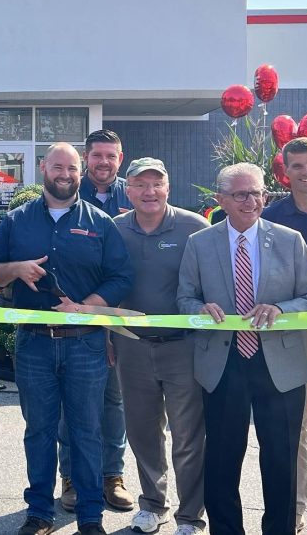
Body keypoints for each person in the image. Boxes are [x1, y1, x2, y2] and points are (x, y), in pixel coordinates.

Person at [0, 142, 134, 535]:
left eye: (71, 168)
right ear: (43, 168)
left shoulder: (101, 223)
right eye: (57, 167)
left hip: (86, 343)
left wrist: (86, 306)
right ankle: (39, 514)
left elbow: (121, 277)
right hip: (33, 344)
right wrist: (15, 269)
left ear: (80, 172)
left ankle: (90, 517)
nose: (65, 175)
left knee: (87, 431)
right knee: (39, 431)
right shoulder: (17, 220)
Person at [177, 162, 307, 535]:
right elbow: (184, 297)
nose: (251, 202)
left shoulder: (290, 240)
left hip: (280, 363)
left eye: (257, 193)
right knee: (222, 458)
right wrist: (199, 309)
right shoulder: (200, 243)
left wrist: (281, 308)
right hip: (223, 363)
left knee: (281, 458)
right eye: (241, 194)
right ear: (221, 199)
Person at [110, 158, 208, 535]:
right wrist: (108, 337)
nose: (149, 192)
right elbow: (106, 288)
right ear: (128, 190)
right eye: (140, 184)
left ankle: (191, 516)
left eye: (156, 184)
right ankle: (152, 504)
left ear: (168, 187)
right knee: (142, 431)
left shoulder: (194, 227)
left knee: (188, 436)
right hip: (132, 347)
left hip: (184, 348)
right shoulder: (114, 229)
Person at [260, 136, 307, 533]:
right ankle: (294, 510)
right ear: (285, 172)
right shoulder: (271, 217)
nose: (306, 172)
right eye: (297, 166)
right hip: (292, 331)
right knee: (294, 428)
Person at [59, 129, 133, 513]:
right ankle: (71, 477)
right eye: (97, 155)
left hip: (121, 315)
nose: (104, 162)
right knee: (70, 402)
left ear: (121, 158)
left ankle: (111, 476)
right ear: (85, 157)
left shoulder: (134, 194)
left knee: (113, 400)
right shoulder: (67, 194)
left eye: (111, 155)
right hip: (77, 316)